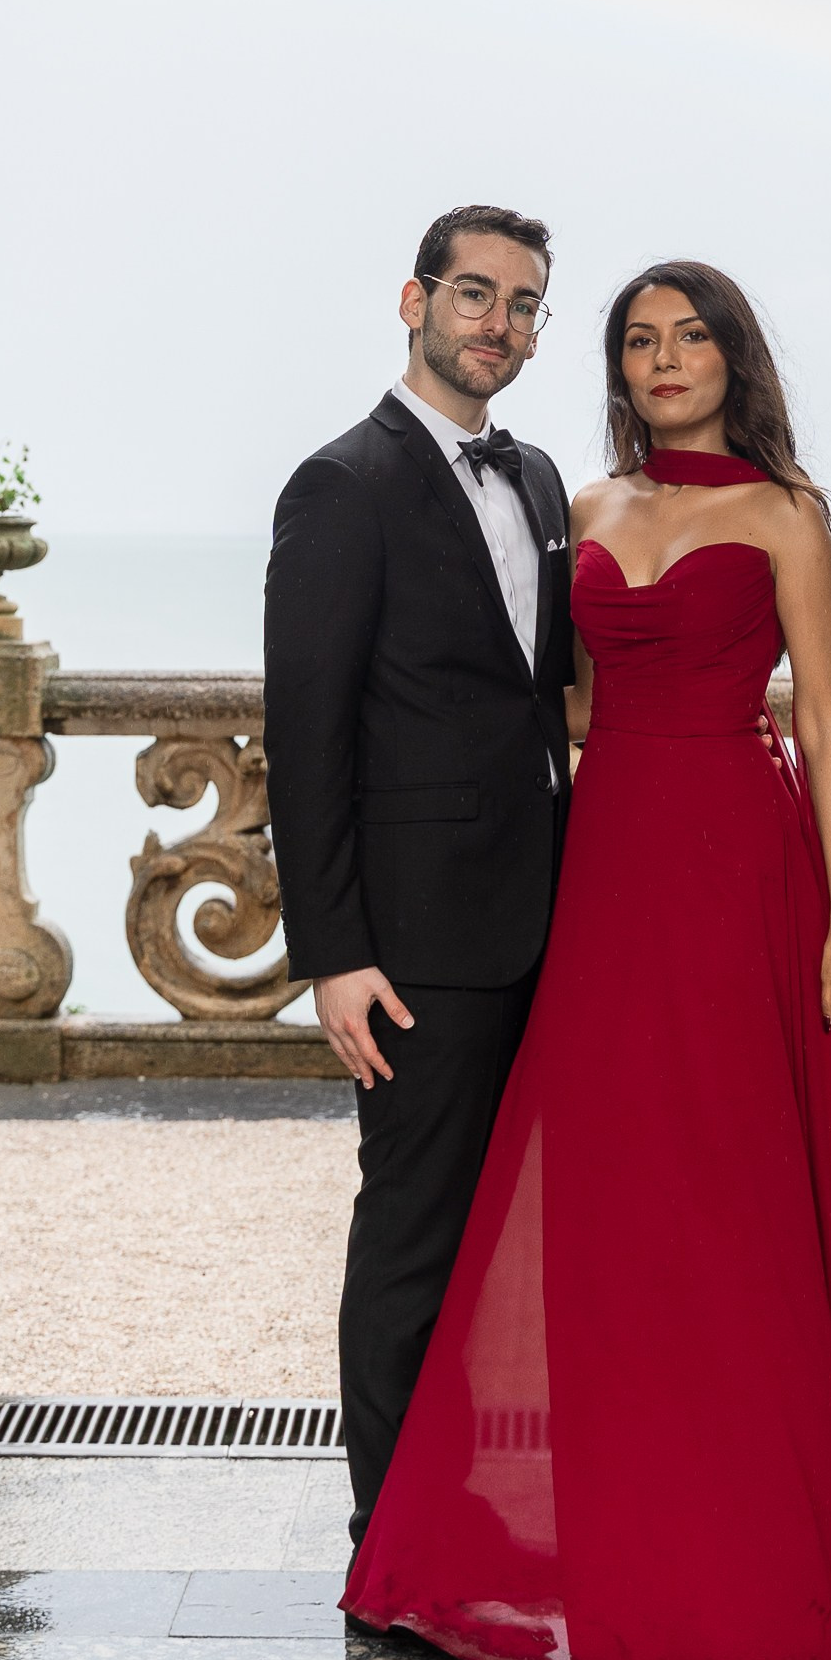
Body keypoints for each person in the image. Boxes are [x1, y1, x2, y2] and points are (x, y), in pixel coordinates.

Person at [342, 260, 831, 1660]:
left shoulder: (786, 514)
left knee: (741, 1200)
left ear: (733, 357)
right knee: (622, 1206)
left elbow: (827, 720)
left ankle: (759, 1559)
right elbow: (547, 699)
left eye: (691, 337)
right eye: (640, 341)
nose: (666, 359)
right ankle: (634, 1546)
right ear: (619, 369)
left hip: (738, 867)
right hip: (608, 871)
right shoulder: (584, 509)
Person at [265, 203, 576, 1545]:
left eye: (524, 304)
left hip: (551, 920)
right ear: (416, 301)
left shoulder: (544, 481)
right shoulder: (342, 485)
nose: (499, 323)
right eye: (475, 294)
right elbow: (306, 737)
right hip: (418, 946)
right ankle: (392, 1539)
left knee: (525, 1238)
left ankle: (492, 1505)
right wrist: (335, 953)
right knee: (413, 1238)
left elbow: (545, 699)